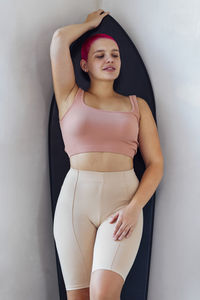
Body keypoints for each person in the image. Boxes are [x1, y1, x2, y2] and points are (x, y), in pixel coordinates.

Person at [50, 8, 164, 300]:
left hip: (123, 203)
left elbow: (155, 164)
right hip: (75, 202)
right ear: (85, 65)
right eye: (100, 55)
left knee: (103, 296)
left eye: (114, 54)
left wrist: (134, 207)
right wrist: (90, 25)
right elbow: (60, 39)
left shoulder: (137, 107)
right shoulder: (69, 97)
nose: (110, 59)